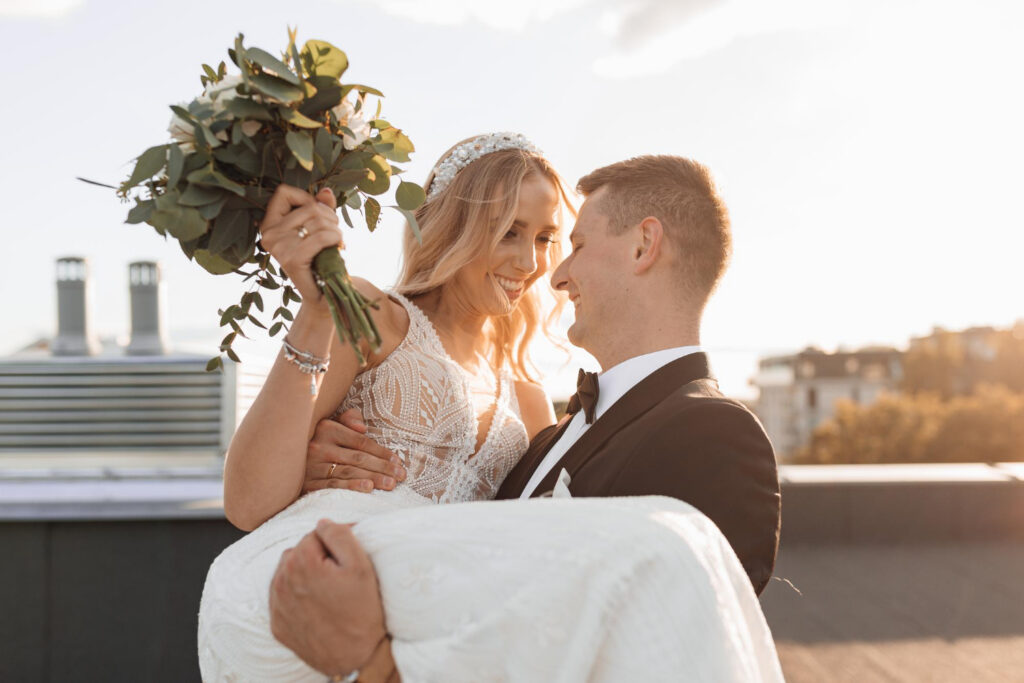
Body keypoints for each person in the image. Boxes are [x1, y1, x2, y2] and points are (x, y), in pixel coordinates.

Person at [200, 147, 783, 682]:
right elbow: (250, 502)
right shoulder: (369, 314)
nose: (534, 264)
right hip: (310, 588)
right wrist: (315, 333)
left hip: (413, 644)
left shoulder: (530, 401)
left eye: (552, 238)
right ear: (457, 227)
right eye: (510, 232)